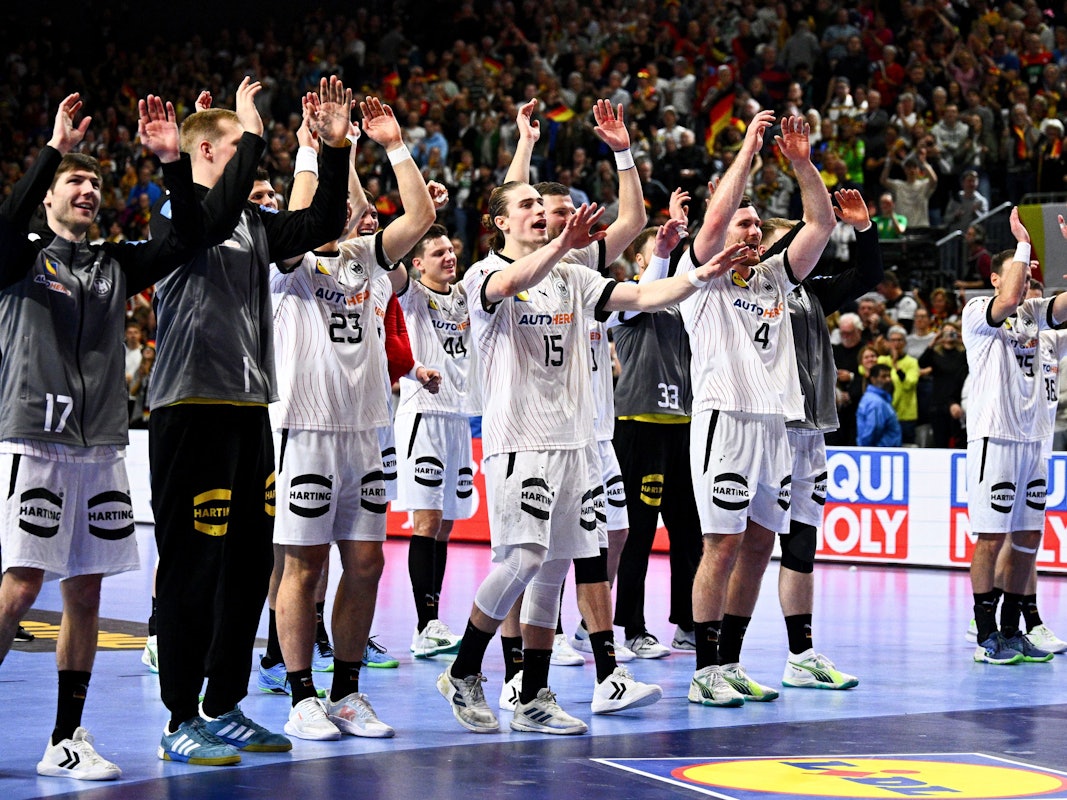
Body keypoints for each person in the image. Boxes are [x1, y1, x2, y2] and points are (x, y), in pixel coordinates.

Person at [438, 100, 747, 736]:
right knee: (522, 558)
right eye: (523, 205)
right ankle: (466, 669)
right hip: (521, 438)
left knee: (554, 568)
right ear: (498, 222)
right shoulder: (484, 274)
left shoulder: (576, 278)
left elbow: (642, 294)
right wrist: (561, 245)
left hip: (579, 438)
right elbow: (516, 279)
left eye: (538, 205)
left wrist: (701, 275)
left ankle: (534, 694)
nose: (536, 210)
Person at [148, 76, 351, 765]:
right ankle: (179, 716)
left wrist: (334, 146)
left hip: (247, 409)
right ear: (204, 152)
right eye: (238, 148)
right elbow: (211, 215)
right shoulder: (176, 213)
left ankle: (224, 705)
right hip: (189, 408)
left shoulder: (253, 224)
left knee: (244, 565)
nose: (249, 162)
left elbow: (321, 225)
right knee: (192, 568)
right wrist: (255, 128)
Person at [0, 92, 203, 780]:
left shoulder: (115, 263)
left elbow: (185, 239)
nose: (87, 190)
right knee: (22, 587)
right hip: (34, 440)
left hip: (104, 447)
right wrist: (52, 149)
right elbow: (6, 221)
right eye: (73, 182)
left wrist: (173, 164)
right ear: (48, 198)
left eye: (94, 182)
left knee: (84, 591)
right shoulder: (19, 256)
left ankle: (66, 737)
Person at [270, 95, 437, 741]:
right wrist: (315, 147)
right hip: (306, 430)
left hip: (366, 430)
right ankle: (300, 695)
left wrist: (392, 143)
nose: (348, 214)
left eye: (354, 208)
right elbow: (303, 211)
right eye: (336, 207)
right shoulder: (291, 262)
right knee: (302, 567)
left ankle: (346, 692)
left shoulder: (368, 260)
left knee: (365, 564)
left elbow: (420, 214)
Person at [679, 113, 836, 707]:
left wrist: (800, 163)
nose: (747, 229)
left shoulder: (776, 275)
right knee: (720, 544)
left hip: (775, 424)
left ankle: (730, 661)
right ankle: (703, 671)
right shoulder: (704, 275)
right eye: (741, 221)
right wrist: (747, 149)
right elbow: (716, 216)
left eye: (754, 225)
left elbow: (820, 222)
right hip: (725, 418)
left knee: (759, 545)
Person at [754, 187, 880, 693]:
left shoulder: (812, 290)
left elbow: (868, 277)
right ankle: (715, 652)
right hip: (764, 429)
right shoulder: (754, 290)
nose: (803, 252)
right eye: (791, 243)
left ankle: (800, 655)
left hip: (810, 431)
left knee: (801, 546)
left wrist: (864, 230)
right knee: (743, 546)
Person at [963, 208, 1067, 666]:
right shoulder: (978, 314)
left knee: (1028, 537)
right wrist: (1024, 245)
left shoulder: (1037, 317)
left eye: (1028, 278)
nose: (1024, 285)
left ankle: (1011, 627)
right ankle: (985, 632)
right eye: (1017, 276)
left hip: (1034, 442)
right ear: (996, 280)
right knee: (991, 538)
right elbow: (1005, 301)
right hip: (995, 439)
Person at [391, 219, 479, 660]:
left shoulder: (464, 295)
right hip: (422, 415)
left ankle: (435, 620)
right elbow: (390, 257)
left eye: (451, 250)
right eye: (438, 252)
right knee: (426, 523)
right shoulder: (411, 294)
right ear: (418, 262)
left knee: (444, 526)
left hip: (457, 420)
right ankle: (424, 626)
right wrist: (420, 214)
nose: (449, 257)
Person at [878, 326, 921, 444]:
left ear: (905, 343)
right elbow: (865, 370)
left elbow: (909, 384)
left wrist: (895, 365)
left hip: (905, 415)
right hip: (885, 413)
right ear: (888, 342)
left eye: (899, 340)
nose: (896, 343)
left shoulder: (912, 362)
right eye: (893, 340)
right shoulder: (882, 360)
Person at [856, 364, 902, 446]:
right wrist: (871, 452)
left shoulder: (879, 399)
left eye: (889, 376)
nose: (888, 379)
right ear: (873, 379)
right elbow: (872, 430)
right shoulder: (876, 402)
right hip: (880, 453)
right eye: (884, 376)